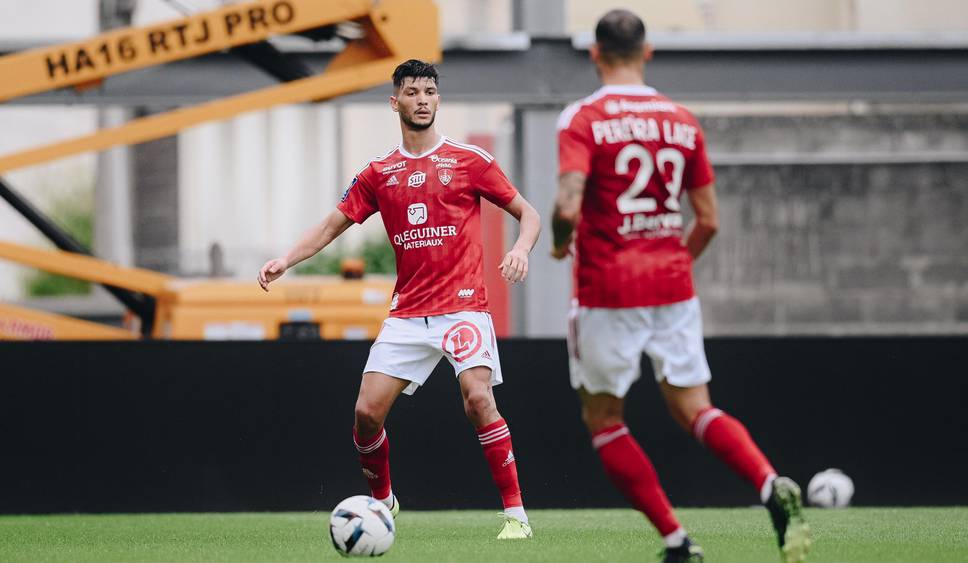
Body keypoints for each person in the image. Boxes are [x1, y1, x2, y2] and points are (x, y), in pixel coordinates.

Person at [552, 10, 811, 563]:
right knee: (696, 408)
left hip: (607, 287)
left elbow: (567, 206)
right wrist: (672, 262)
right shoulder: (682, 120)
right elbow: (709, 221)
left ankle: (677, 540)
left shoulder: (582, 118)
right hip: (673, 285)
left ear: (595, 54)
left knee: (604, 419)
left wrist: (556, 243)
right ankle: (769, 483)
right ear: (647, 53)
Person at [258, 59, 540, 540]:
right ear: (396, 102)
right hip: (408, 313)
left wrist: (519, 248)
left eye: (429, 91)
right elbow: (332, 225)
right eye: (412, 92)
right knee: (366, 415)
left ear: (438, 99)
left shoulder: (469, 160)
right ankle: (384, 500)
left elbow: (527, 213)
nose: (422, 100)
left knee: (478, 399)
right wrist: (287, 259)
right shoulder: (379, 172)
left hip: (463, 306)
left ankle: (516, 516)